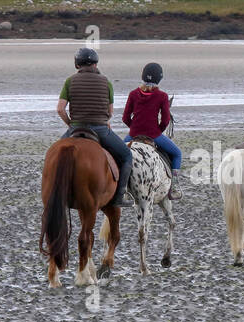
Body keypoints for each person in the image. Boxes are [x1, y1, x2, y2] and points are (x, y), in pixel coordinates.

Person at [56, 46, 132, 207]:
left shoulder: (70, 81)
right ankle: (119, 196)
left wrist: (70, 124)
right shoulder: (106, 82)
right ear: (95, 65)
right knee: (126, 156)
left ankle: (53, 193)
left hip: (76, 128)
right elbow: (110, 112)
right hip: (100, 129)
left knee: (54, 156)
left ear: (77, 65)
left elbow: (60, 109)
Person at [122, 61, 181, 200]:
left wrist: (135, 128)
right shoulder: (162, 96)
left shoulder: (133, 94)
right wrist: (156, 131)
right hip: (154, 135)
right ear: (159, 78)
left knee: (117, 154)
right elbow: (166, 120)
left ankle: (120, 187)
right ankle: (174, 187)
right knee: (177, 153)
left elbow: (125, 117)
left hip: (133, 135)